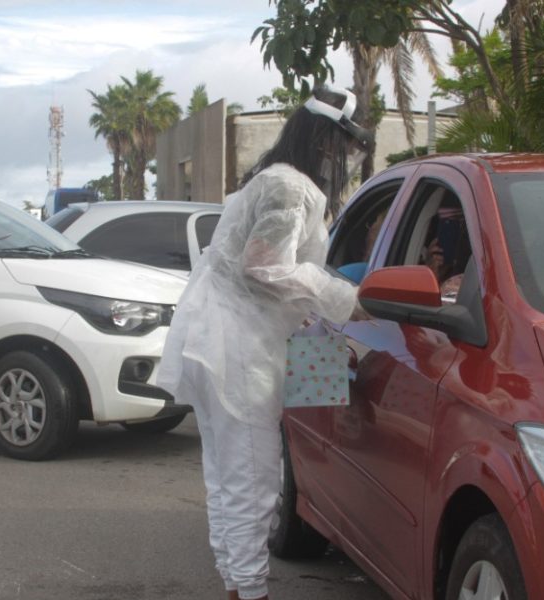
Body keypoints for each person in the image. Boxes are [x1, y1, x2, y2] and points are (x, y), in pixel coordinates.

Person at [156, 84, 373, 600]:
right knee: (252, 481)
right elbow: (264, 268)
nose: (343, 155)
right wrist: (346, 299)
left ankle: (238, 586)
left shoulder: (275, 180)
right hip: (237, 347)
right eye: (342, 143)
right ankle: (249, 591)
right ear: (324, 138)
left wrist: (321, 315)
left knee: (230, 479)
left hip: (224, 337)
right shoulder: (288, 188)